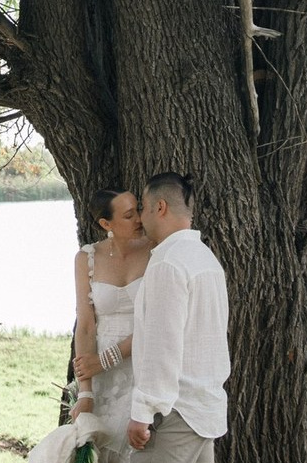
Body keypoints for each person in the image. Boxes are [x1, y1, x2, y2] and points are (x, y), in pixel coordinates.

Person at [126, 173, 230, 463]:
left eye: (143, 207)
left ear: (160, 207)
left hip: (175, 413)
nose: (141, 218)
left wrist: (143, 411)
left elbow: (162, 345)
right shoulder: (205, 258)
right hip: (204, 410)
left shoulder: (168, 262)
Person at [68, 188, 152, 462]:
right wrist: (86, 391)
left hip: (143, 361)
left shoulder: (155, 251)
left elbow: (157, 322)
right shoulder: (86, 258)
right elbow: (85, 326)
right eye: (129, 215)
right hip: (100, 372)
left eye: (138, 210)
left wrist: (107, 359)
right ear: (106, 224)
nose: (139, 219)